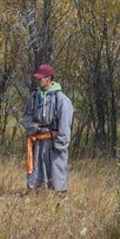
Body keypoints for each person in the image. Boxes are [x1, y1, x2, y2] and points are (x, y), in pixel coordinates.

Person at [22, 64, 74, 193]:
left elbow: (65, 124)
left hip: (54, 142)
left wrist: (60, 145)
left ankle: (59, 198)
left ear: (49, 78)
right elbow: (26, 117)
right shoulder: (34, 97)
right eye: (38, 78)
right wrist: (33, 127)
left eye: (41, 78)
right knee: (35, 173)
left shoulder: (61, 99)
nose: (38, 80)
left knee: (57, 173)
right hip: (37, 141)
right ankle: (36, 195)